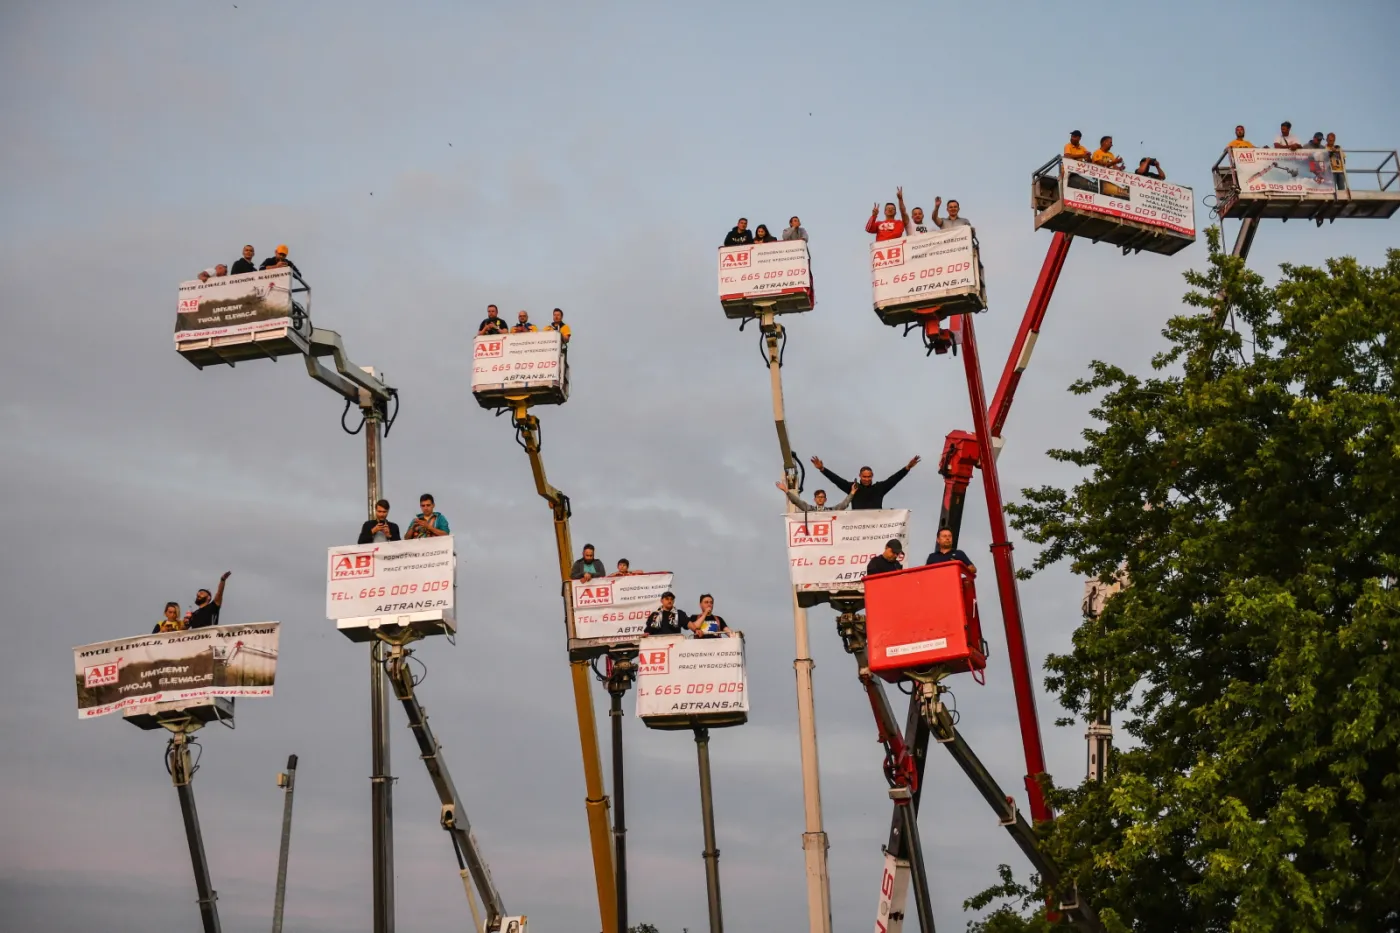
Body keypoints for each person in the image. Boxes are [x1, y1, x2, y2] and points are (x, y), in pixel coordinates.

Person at [810, 456, 921, 509]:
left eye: (869, 477)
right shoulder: (853, 488)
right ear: (860, 476)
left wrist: (907, 468)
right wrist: (822, 469)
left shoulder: (879, 488)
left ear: (872, 476)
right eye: (864, 477)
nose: (867, 479)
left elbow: (894, 479)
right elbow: (837, 480)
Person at [776, 479, 856, 511]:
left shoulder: (831, 511)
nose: (820, 499)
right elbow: (796, 501)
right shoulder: (809, 509)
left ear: (825, 499)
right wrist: (786, 491)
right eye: (818, 497)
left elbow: (843, 505)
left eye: (822, 497)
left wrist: (852, 492)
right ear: (815, 499)